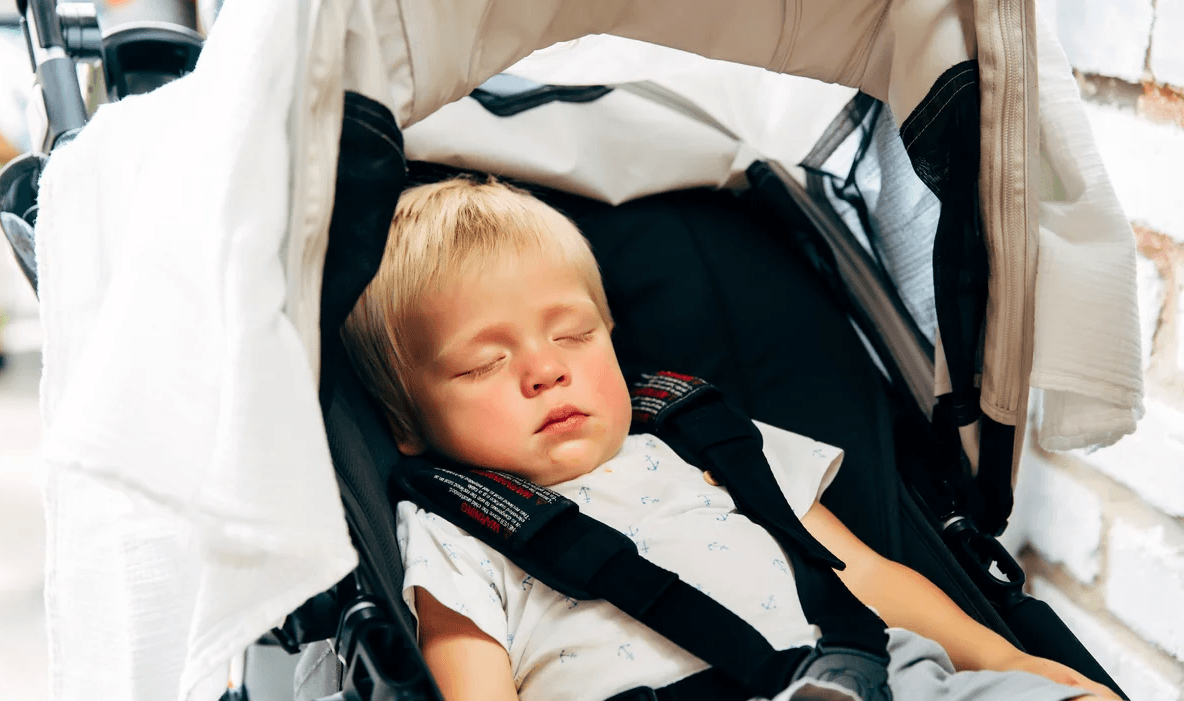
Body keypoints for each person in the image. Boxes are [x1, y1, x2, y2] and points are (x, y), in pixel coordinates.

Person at [342, 176, 1118, 701]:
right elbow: (472, 684)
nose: (544, 370)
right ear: (407, 423)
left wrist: (1013, 659)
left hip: (870, 671)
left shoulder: (710, 442)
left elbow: (866, 572)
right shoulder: (456, 531)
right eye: (484, 363)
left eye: (572, 335)